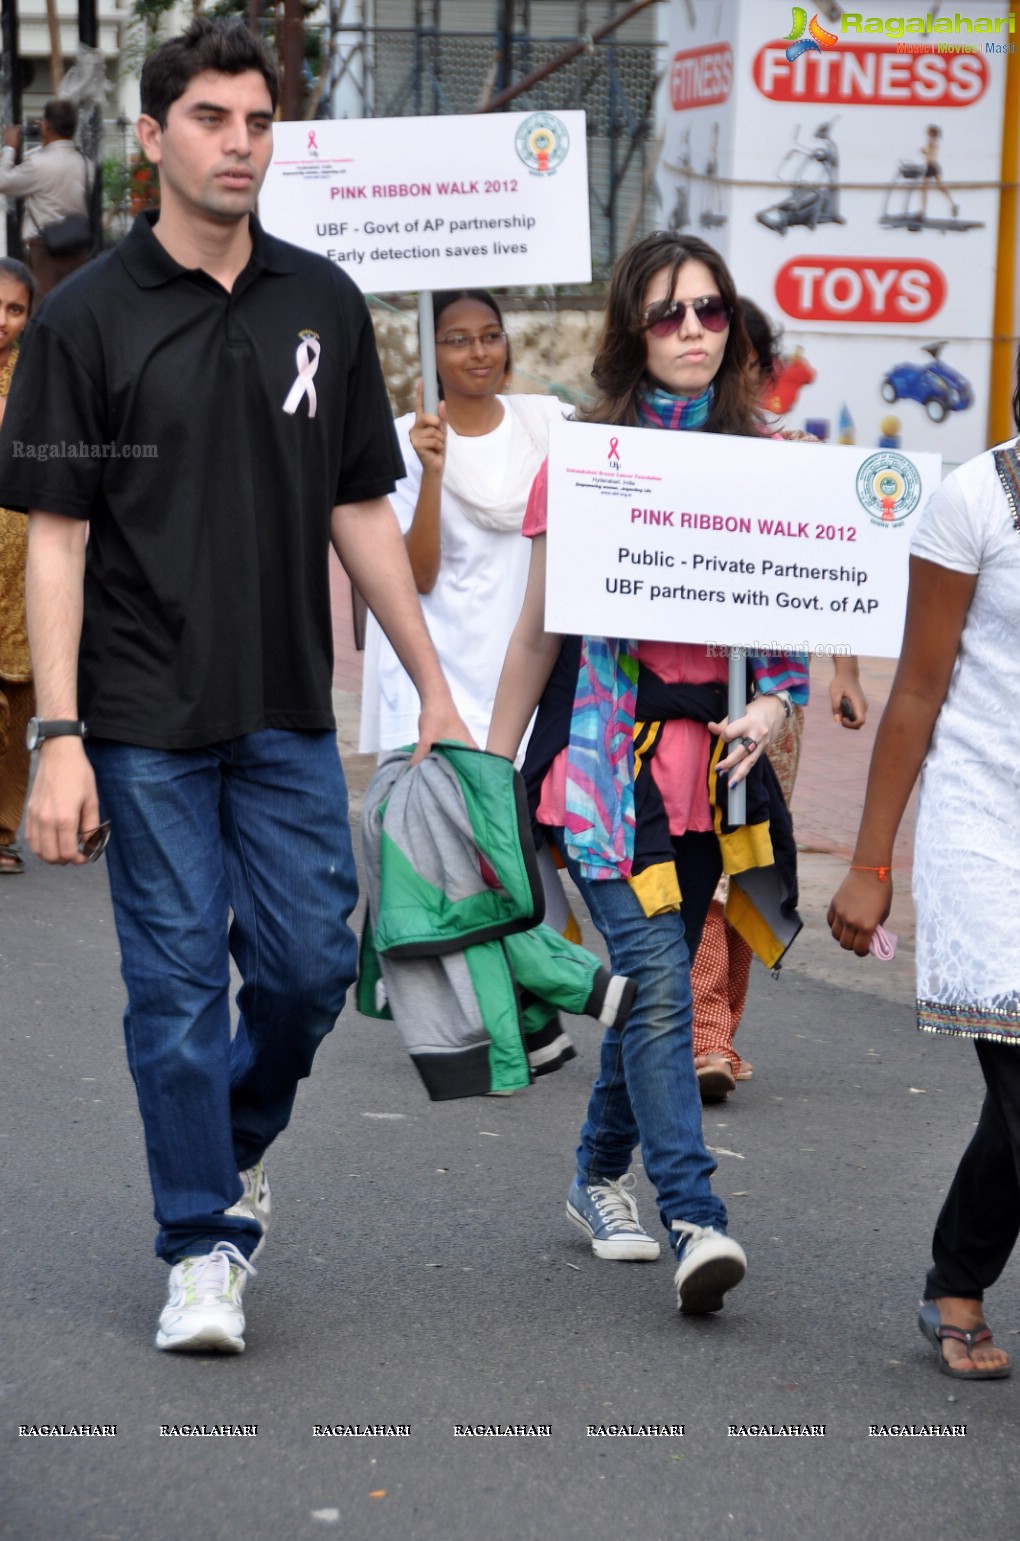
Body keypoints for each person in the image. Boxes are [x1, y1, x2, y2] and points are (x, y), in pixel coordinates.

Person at [0, 17, 469, 1355]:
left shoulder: (320, 301)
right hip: (142, 721)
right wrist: (58, 735)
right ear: (151, 139)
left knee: (316, 965)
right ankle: (201, 1242)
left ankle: (230, 1142)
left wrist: (429, 685)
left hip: (282, 713)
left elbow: (359, 508)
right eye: (211, 118)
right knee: (173, 991)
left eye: (258, 123)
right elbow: (61, 534)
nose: (240, 145)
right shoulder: (84, 321)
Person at [487, 231, 807, 1317]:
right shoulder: (581, 460)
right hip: (603, 776)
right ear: (633, 328)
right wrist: (489, 769)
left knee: (654, 979)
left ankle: (592, 1176)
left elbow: (789, 629)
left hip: (713, 782)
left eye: (712, 311)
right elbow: (537, 635)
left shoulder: (768, 460)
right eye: (669, 313)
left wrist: (775, 698)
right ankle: (696, 1214)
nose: (693, 332)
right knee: (664, 981)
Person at [826, 348, 1020, 1382]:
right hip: (985, 823)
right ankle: (956, 1273)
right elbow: (917, 687)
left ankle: (957, 1271)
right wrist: (869, 859)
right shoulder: (973, 500)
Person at [690, 296, 867, 1100]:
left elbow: (838, 568)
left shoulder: (798, 457)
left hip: (772, 702)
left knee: (746, 860)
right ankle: (703, 1033)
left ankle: (719, 1030)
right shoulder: (665, 453)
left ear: (762, 366)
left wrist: (845, 673)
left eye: (745, 356)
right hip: (683, 697)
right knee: (700, 865)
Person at [359, 288, 566, 760]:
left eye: (490, 336)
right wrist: (433, 473)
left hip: (523, 680)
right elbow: (418, 577)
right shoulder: (402, 442)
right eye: (457, 340)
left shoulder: (551, 426)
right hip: (435, 687)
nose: (478, 352)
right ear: (429, 353)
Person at [0, 257, 35, 873]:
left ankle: (3, 831)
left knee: (22, 697)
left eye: (14, 309)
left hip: (29, 564)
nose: (1, 321)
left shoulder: (41, 379)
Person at [0, 100, 91, 298]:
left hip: (45, 251)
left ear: (47, 126)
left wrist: (9, 149)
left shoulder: (39, 164)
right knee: (77, 305)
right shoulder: (85, 163)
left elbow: (3, 181)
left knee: (44, 309)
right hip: (78, 248)